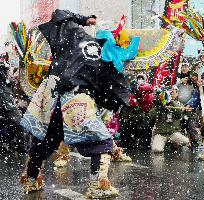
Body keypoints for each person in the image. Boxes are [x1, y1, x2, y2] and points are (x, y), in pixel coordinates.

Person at [19, 9, 139, 198]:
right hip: (75, 98)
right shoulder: (106, 54)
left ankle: (31, 179)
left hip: (51, 94)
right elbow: (111, 90)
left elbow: (58, 14)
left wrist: (83, 19)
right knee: (102, 141)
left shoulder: (72, 34)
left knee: (44, 140)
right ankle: (98, 185)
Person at [150, 86, 191, 153]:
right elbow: (151, 115)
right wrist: (159, 106)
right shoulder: (159, 104)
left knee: (185, 141)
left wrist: (171, 101)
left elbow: (179, 113)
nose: (171, 94)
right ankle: (166, 144)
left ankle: (174, 145)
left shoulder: (179, 104)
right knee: (157, 150)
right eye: (169, 93)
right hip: (161, 133)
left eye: (173, 93)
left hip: (173, 132)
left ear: (177, 94)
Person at [0, 52, 27, 153]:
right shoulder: (4, 84)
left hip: (8, 106)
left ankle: (14, 144)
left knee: (17, 124)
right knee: (18, 124)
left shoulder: (7, 84)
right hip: (7, 107)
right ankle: (14, 144)